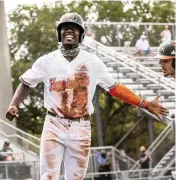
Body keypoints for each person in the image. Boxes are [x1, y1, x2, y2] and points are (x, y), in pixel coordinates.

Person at [5, 13, 168, 180]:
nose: (69, 30)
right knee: (48, 176)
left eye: (74, 28)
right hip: (53, 123)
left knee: (76, 178)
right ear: (59, 34)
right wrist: (14, 104)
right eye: (65, 28)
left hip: (80, 126)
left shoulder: (93, 62)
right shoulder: (46, 61)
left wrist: (145, 104)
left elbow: (115, 88)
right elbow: (26, 83)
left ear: (81, 35)